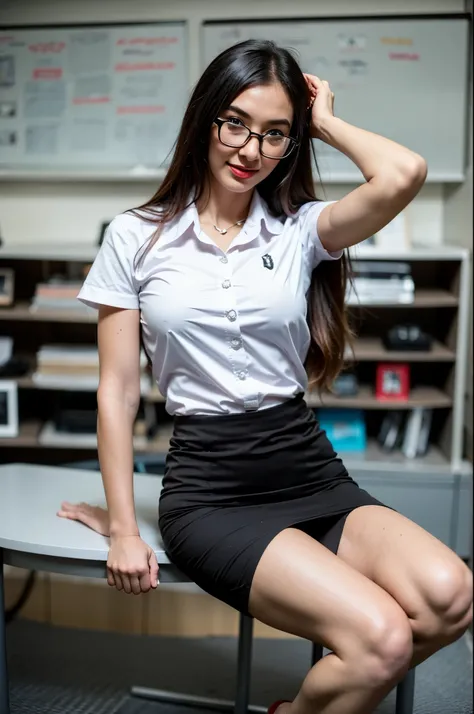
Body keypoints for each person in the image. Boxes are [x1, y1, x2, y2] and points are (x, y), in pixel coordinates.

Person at [58, 40, 472, 714]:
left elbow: (405, 173)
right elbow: (118, 391)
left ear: (292, 141)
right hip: (213, 491)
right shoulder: (135, 238)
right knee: (384, 641)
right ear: (204, 122)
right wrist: (125, 529)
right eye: (236, 123)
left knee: (452, 595)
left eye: (275, 133)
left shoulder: (301, 230)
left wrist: (327, 122)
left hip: (306, 467)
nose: (251, 149)